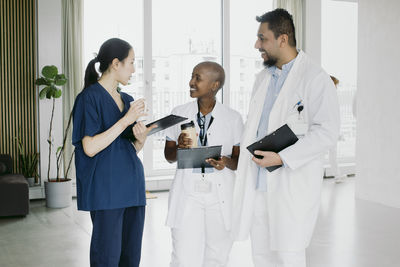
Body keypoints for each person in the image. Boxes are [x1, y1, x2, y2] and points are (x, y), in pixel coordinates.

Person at [232, 9, 340, 267]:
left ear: (282, 38)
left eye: (262, 38)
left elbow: (327, 131)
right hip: (258, 185)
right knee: (261, 257)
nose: (257, 45)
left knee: (289, 256)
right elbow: (255, 126)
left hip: (291, 185)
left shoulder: (315, 78)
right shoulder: (262, 78)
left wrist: (282, 157)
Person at [72, 38, 156, 267]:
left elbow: (129, 148)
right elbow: (89, 148)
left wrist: (141, 139)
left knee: (130, 256)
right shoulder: (88, 98)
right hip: (107, 189)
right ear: (115, 63)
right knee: (107, 257)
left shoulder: (127, 100)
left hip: (132, 186)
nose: (134, 69)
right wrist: (126, 120)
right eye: (131, 62)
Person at [164, 61, 244, 267]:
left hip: (219, 195)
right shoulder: (178, 112)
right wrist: (180, 148)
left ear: (214, 85)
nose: (191, 82)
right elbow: (169, 156)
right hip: (188, 193)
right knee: (183, 256)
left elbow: (238, 162)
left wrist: (225, 161)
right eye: (192, 76)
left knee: (217, 256)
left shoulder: (233, 118)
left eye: (197, 78)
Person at [329, 76, 346, 183]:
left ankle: (337, 175)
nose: (336, 87)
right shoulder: (328, 96)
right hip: (329, 129)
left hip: (332, 129)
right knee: (331, 153)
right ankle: (337, 175)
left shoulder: (331, 95)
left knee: (333, 153)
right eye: (335, 84)